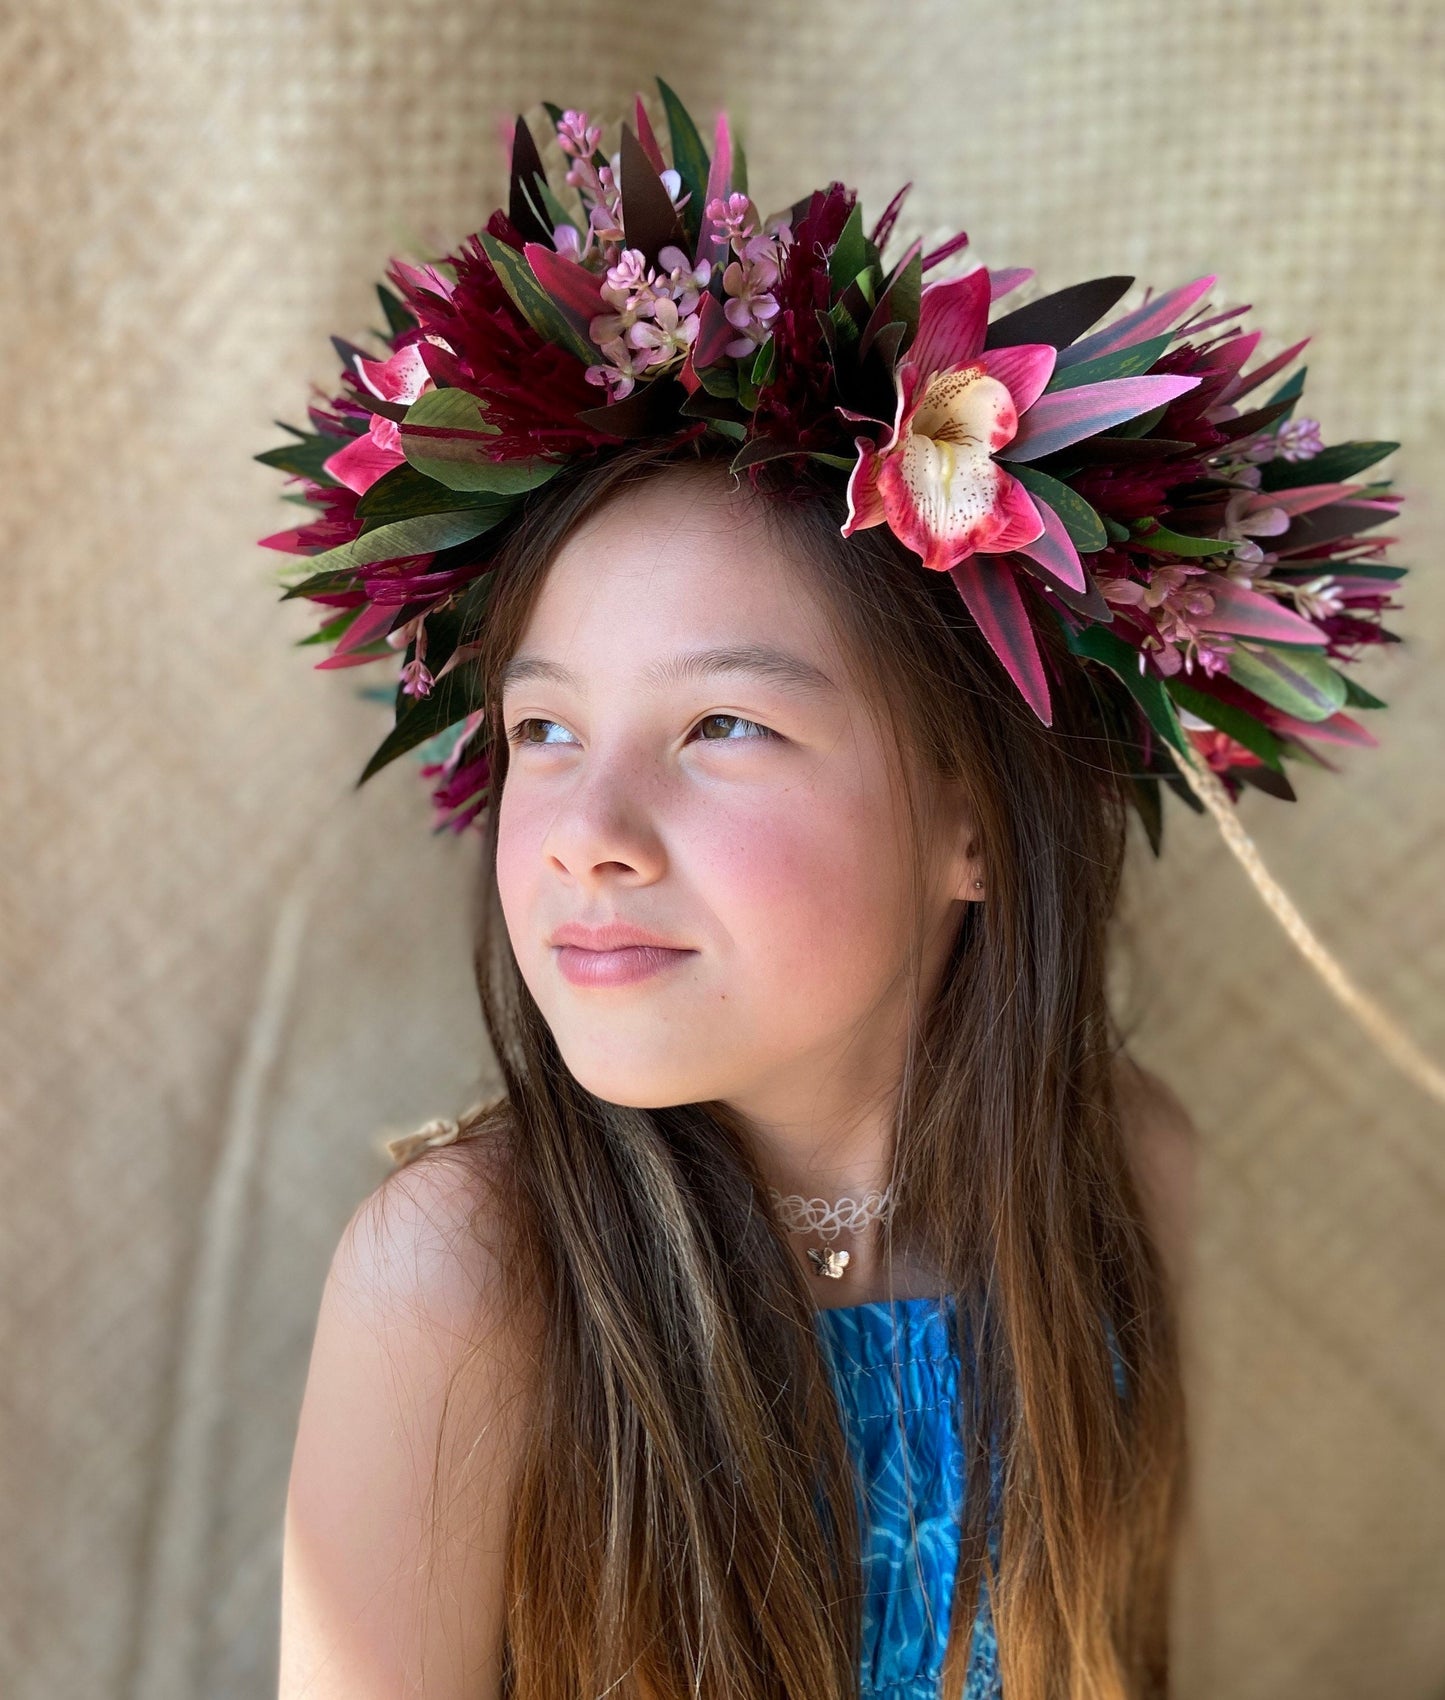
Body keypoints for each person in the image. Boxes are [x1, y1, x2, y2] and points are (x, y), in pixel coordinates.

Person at [263, 85, 1406, 1700]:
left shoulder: (1126, 1186)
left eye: (723, 725)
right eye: (544, 729)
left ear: (977, 826)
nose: (586, 827)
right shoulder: (464, 1274)